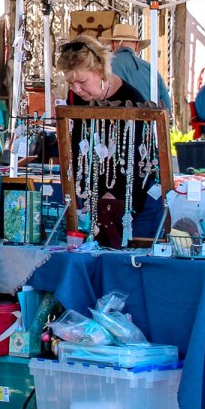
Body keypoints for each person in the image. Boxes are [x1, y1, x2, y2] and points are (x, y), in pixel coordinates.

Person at [56, 35, 155, 248]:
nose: (76, 89)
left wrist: (111, 199)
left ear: (101, 71)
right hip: (91, 197)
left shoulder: (132, 102)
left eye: (82, 82)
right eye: (70, 83)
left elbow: (138, 164)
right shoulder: (78, 98)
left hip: (127, 202)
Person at [107, 23, 172, 112]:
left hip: (111, 122)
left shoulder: (102, 67)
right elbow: (167, 108)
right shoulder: (150, 70)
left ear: (112, 45)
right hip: (146, 122)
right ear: (137, 46)